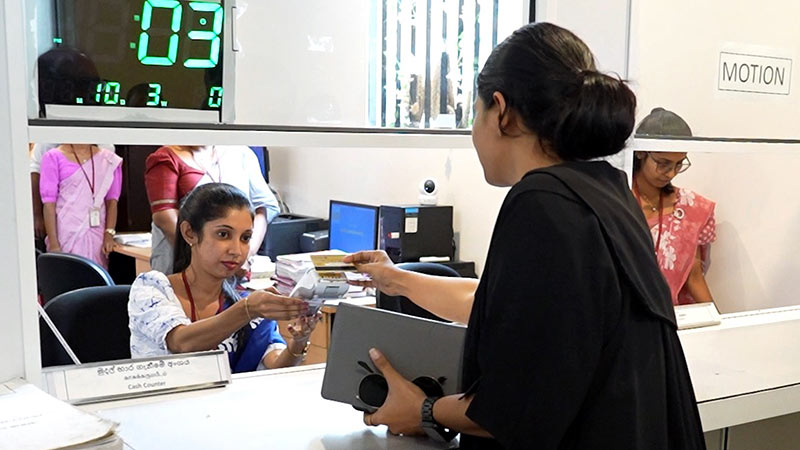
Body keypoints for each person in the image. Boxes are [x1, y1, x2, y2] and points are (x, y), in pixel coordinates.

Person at [343, 23, 705, 449]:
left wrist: (423, 409)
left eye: (474, 114)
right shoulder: (605, 190)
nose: (474, 133)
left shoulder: (541, 201)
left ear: (501, 110)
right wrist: (396, 279)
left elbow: (514, 408)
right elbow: (518, 308)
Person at [128, 183, 318, 372]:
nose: (236, 250)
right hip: (165, 401)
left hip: (229, 402)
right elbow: (181, 343)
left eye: (245, 238)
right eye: (223, 234)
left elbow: (275, 365)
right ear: (189, 233)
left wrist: (299, 342)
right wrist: (248, 310)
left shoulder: (243, 299)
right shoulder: (151, 288)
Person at [144, 145, 280, 274]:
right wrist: (205, 257)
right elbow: (164, 216)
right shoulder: (166, 158)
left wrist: (245, 253)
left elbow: (264, 207)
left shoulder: (241, 154)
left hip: (232, 263)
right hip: (186, 263)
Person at [633, 107, 716, 305]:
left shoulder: (692, 208)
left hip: (671, 318)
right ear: (641, 153)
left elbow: (694, 275)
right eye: (663, 163)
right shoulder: (616, 202)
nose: (670, 173)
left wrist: (719, 326)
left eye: (679, 164)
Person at [40, 144, 122, 268]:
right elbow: (49, 204)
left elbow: (112, 201)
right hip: (65, 235)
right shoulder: (53, 157)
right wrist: (54, 244)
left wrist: (109, 234)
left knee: (95, 279)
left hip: (96, 237)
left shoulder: (108, 159)